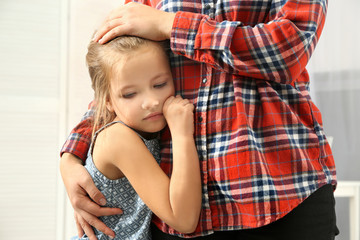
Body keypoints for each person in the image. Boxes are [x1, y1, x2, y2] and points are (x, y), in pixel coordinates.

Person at [60, 0, 339, 239]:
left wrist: (172, 25)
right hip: (175, 206)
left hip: (282, 193)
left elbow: (288, 49)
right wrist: (71, 156)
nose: (151, 99)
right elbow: (118, 75)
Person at [62, 35, 201, 240]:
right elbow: (184, 219)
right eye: (129, 94)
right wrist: (181, 134)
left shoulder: (140, 129)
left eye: (160, 84)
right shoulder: (118, 138)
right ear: (107, 101)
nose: (151, 102)